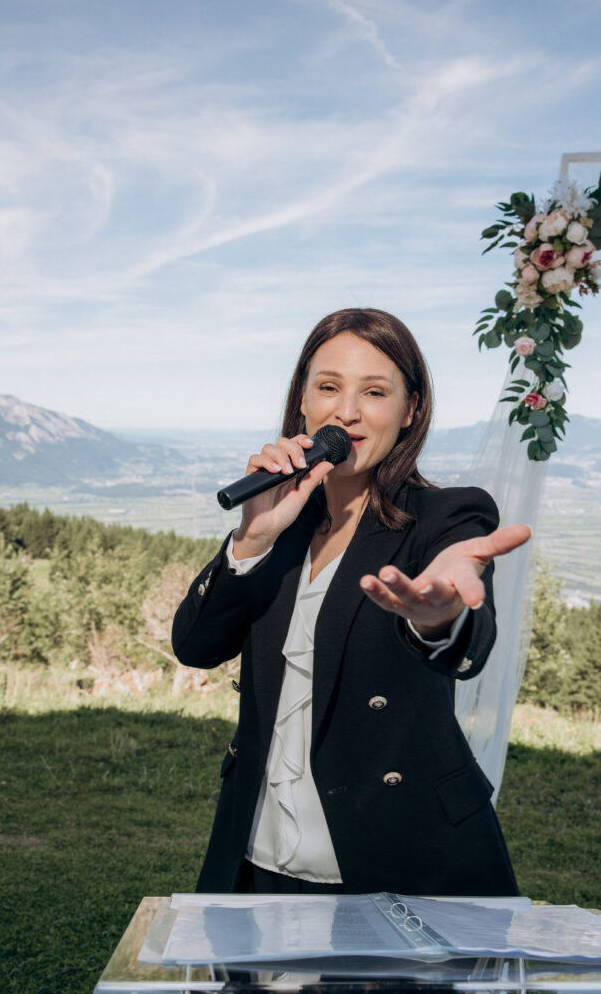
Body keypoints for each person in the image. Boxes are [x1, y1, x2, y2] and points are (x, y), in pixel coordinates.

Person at [172, 308, 531, 897]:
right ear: (304, 403)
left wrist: (439, 616)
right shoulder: (280, 524)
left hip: (393, 859)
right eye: (329, 387)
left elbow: (468, 634)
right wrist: (251, 541)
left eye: (374, 391)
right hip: (259, 857)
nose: (348, 411)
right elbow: (194, 646)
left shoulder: (445, 517)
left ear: (410, 409)